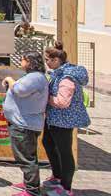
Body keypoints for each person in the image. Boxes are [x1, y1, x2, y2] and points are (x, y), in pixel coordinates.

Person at [41, 42, 90, 195]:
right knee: (47, 143)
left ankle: (66, 187)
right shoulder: (58, 73)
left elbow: (62, 102)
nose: (46, 63)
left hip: (63, 120)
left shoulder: (67, 78)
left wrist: (46, 98)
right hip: (54, 119)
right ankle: (57, 176)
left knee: (65, 152)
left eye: (48, 59)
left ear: (56, 61)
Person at [2, 52, 49, 196]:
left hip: (24, 124)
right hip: (25, 122)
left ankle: (32, 190)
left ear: (29, 61)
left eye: (22, 60)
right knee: (27, 155)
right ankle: (29, 183)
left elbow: (20, 90)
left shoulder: (35, 77)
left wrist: (10, 80)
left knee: (26, 158)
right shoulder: (34, 77)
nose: (21, 62)